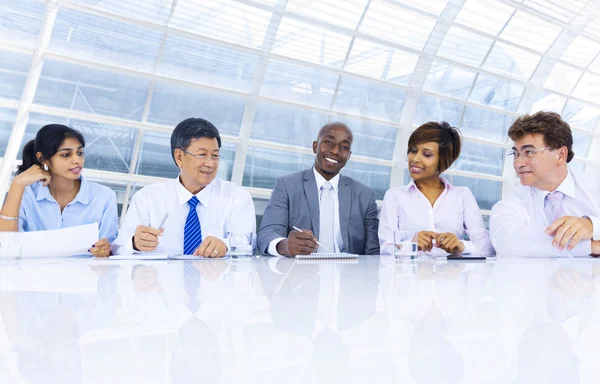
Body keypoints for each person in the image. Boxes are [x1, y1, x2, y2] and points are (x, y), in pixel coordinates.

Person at [113, 118, 255, 257]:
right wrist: (134, 243)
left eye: (215, 155)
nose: (210, 163)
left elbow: (247, 245)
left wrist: (225, 245)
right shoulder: (147, 197)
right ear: (179, 157)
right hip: (160, 279)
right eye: (202, 155)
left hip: (215, 278)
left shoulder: (237, 197)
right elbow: (119, 248)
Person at [257, 122, 379, 256]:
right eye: (329, 142)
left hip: (349, 273)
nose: (335, 151)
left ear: (349, 155)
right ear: (315, 146)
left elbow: (373, 253)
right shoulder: (287, 186)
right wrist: (285, 245)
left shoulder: (365, 196)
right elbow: (266, 235)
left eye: (344, 147)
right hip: (300, 273)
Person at [490, 111, 600, 256]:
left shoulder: (595, 186)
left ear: (560, 155)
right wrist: (591, 246)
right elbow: (506, 241)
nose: (518, 163)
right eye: (516, 153)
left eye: (529, 152)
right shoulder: (512, 202)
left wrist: (593, 225)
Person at [0, 124, 118, 257]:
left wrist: (106, 250)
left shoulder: (104, 197)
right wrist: (17, 183)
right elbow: (5, 244)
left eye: (80, 153)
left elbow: (111, 247)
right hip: (31, 275)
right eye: (66, 155)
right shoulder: (26, 194)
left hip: (84, 275)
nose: (77, 160)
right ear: (43, 159)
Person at [378, 121, 493, 255]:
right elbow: (385, 250)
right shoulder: (394, 196)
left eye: (426, 154)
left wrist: (462, 246)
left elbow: (486, 247)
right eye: (413, 150)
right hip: (411, 275)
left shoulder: (462, 195)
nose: (415, 159)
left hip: (453, 274)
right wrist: (412, 245)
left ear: (443, 160)